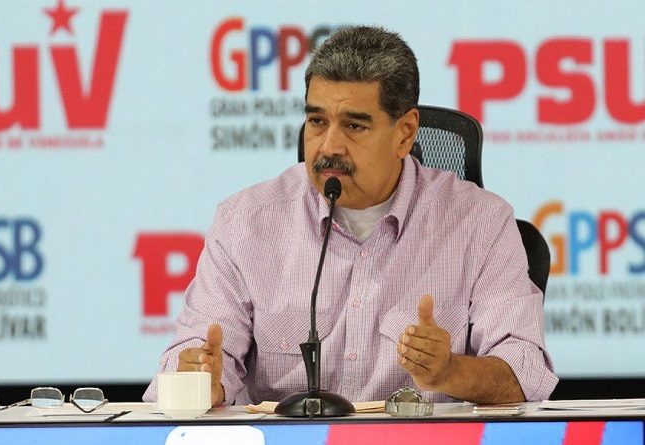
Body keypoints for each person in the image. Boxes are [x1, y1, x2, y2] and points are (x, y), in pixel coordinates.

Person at [143, 25, 557, 406]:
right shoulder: (245, 223)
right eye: (317, 121)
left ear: (405, 133)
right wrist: (201, 379)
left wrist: (450, 371)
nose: (329, 146)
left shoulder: (480, 223)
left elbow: (524, 374)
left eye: (354, 126)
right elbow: (193, 359)